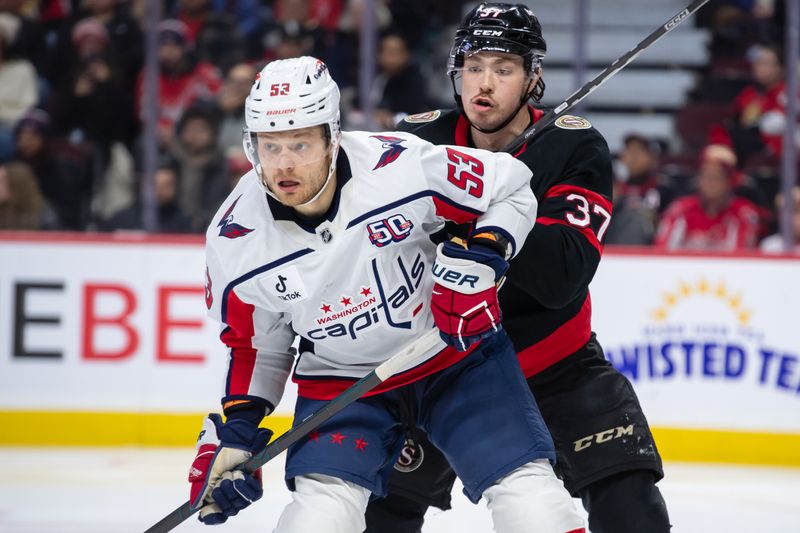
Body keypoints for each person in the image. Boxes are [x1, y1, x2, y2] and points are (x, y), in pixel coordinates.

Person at [186, 56, 585, 533]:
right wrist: (239, 428)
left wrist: (485, 254)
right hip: (343, 381)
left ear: (332, 137)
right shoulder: (235, 240)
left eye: (300, 143)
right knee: (318, 520)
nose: (284, 164)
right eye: (270, 147)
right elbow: (255, 342)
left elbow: (510, 188)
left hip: (452, 355)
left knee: (533, 504)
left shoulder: (400, 166)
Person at [364, 4, 670, 533]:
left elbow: (561, 276)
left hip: (553, 363)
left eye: (503, 69)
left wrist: (481, 223)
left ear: (533, 79)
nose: (484, 84)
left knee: (630, 506)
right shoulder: (416, 143)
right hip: (440, 364)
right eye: (473, 66)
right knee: (383, 511)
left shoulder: (574, 146)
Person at [655, 143, 760, 251]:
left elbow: (741, 257)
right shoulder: (680, 208)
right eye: (705, 175)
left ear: (730, 181)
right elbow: (663, 250)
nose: (710, 183)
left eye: (716, 177)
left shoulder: (743, 213)